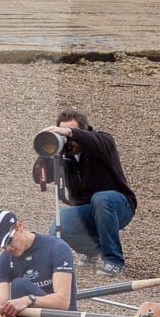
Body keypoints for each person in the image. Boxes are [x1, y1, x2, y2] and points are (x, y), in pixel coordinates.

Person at [37, 109, 137, 275]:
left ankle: (113, 260)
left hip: (119, 206)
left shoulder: (102, 142)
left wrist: (69, 132)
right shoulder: (63, 156)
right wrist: (47, 150)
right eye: (63, 136)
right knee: (58, 225)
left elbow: (95, 140)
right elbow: (39, 177)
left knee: (101, 199)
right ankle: (92, 249)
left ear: (83, 131)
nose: (69, 141)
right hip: (88, 211)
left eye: (71, 135)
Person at [0, 208, 77, 317]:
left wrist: (29, 300)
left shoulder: (57, 248)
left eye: (9, 241)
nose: (8, 248)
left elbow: (63, 302)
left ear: (20, 226)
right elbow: (0, 306)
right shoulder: (2, 262)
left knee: (19, 285)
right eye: (2, 246)